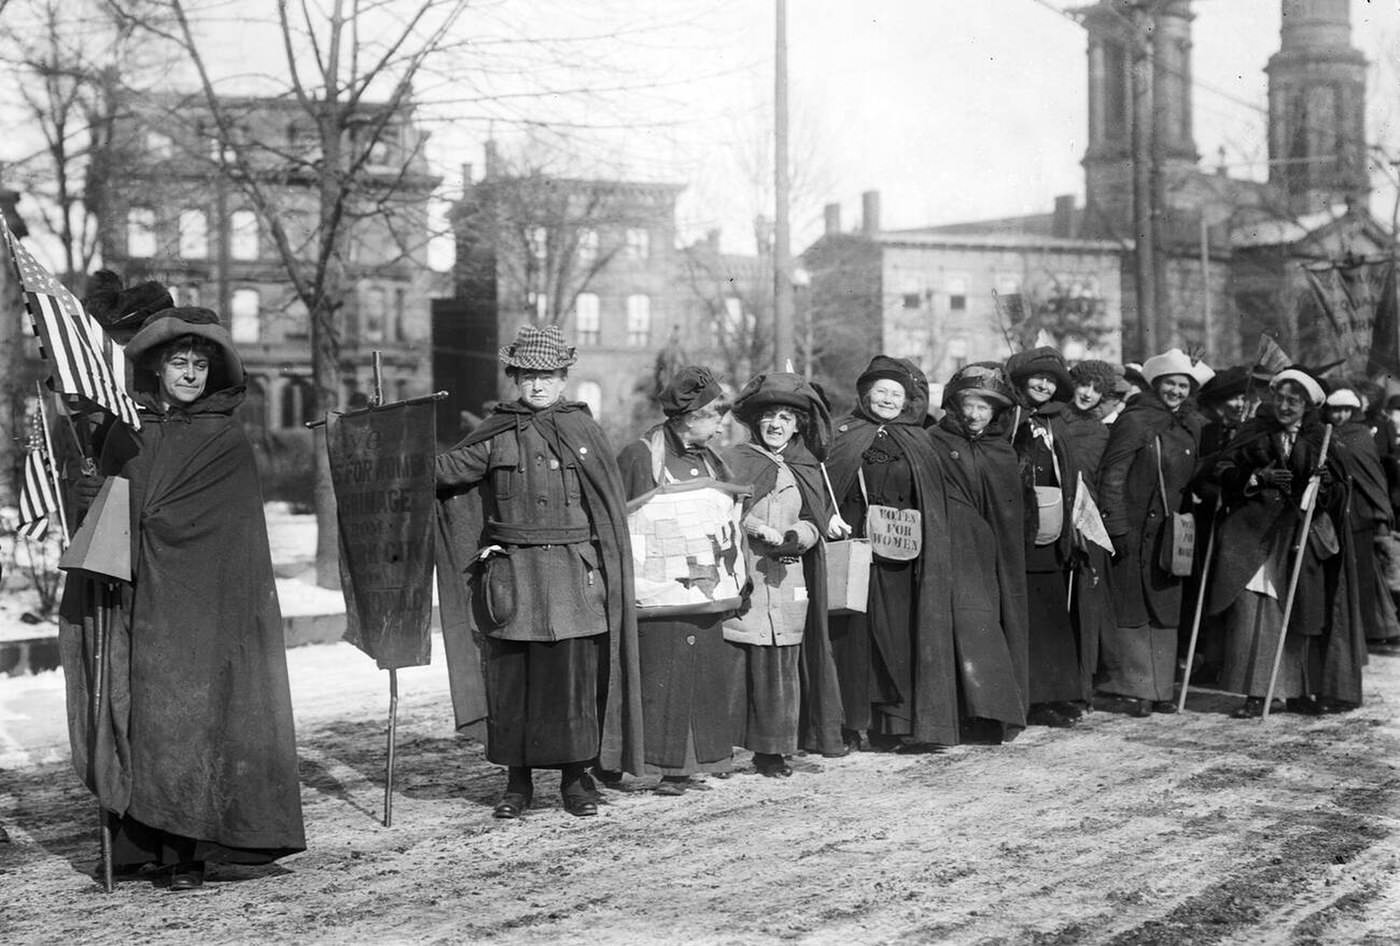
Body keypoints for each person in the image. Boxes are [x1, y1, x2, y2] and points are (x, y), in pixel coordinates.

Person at [59, 306, 305, 891]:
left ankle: (187, 853)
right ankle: (139, 845)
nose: (190, 375)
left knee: (193, 720)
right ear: (157, 369)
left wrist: (149, 520)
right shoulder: (127, 430)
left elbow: (227, 529)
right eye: (179, 363)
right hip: (138, 600)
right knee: (138, 715)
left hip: (205, 609)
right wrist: (91, 491)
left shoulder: (225, 438)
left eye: (199, 365)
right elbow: (102, 516)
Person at [435, 325, 642, 818]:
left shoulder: (585, 432)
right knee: (514, 685)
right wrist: (392, 443)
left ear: (564, 377)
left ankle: (576, 781)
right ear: (514, 378)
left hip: (575, 579)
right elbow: (443, 472)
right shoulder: (495, 434)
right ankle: (517, 785)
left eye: (547, 375)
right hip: (514, 583)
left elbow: (608, 511)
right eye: (527, 376)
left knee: (572, 681)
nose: (537, 386)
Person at [1200, 366, 1361, 717]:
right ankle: (1257, 693)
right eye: (1281, 398)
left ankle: (1301, 691)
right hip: (1252, 536)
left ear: (1307, 405)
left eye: (1294, 400)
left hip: (1299, 538)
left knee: (1302, 611)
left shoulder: (1322, 440)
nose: (1285, 406)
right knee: (1252, 613)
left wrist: (1323, 485)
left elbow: (1337, 494)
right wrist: (1257, 477)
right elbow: (1221, 470)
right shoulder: (1253, 431)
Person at [616, 366, 743, 794]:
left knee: (701, 676)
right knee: (663, 677)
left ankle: (690, 765)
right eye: (714, 415)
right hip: (659, 597)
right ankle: (657, 765)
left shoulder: (708, 457)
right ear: (689, 416)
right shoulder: (640, 456)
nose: (721, 424)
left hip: (703, 594)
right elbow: (621, 521)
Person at [825, 356, 959, 752]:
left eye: (895, 394)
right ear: (865, 395)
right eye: (880, 391)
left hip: (902, 556)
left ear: (906, 401)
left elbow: (932, 500)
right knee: (854, 638)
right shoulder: (842, 435)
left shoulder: (919, 441)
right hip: (856, 551)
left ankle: (897, 724)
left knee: (900, 637)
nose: (887, 399)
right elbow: (826, 486)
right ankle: (851, 723)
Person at [723, 371, 849, 775]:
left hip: (789, 577)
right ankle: (720, 749)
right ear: (756, 422)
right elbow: (716, 515)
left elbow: (816, 522)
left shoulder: (806, 468)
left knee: (780, 664)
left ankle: (772, 751)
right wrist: (749, 527)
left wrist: (794, 535)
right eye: (769, 416)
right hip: (746, 577)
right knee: (738, 660)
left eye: (786, 418)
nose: (776, 424)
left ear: (798, 426)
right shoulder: (734, 461)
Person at [1097, 349, 1206, 717]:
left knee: (1165, 606)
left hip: (1170, 532)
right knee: (1134, 606)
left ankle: (1161, 688)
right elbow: (1112, 473)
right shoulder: (1136, 420)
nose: (1176, 391)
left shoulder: (1190, 426)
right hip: (1134, 527)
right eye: (1170, 384)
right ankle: (1135, 688)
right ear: (1157, 385)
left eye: (1183, 385)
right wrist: (1116, 524)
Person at [927, 362, 1030, 743]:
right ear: (955, 404)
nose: (974, 414)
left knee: (993, 622)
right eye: (969, 404)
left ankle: (993, 714)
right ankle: (964, 713)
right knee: (963, 623)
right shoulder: (934, 440)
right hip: (953, 549)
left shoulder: (1000, 449)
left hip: (994, 555)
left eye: (984, 407)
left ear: (996, 412)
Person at [1005, 346, 1100, 727]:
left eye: (1051, 380)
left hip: (1053, 531)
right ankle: (1032, 697)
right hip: (1019, 531)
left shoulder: (1054, 423)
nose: (1043, 385)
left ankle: (1057, 692)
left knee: (1053, 616)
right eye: (1037, 377)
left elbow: (1072, 473)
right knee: (1027, 616)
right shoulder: (1009, 417)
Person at [1324, 387, 1400, 650]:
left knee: (1364, 575)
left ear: (1354, 411)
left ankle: (1371, 629)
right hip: (1340, 511)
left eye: (1346, 410)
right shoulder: (1328, 435)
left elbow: (1373, 476)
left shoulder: (1360, 435)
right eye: (1335, 410)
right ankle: (1366, 628)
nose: (1340, 415)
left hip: (1362, 515)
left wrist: (1380, 514)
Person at [1062, 359, 1119, 473]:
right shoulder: (1053, 418)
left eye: (1097, 390)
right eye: (1084, 385)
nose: (1088, 394)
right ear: (1074, 384)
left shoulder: (1101, 432)